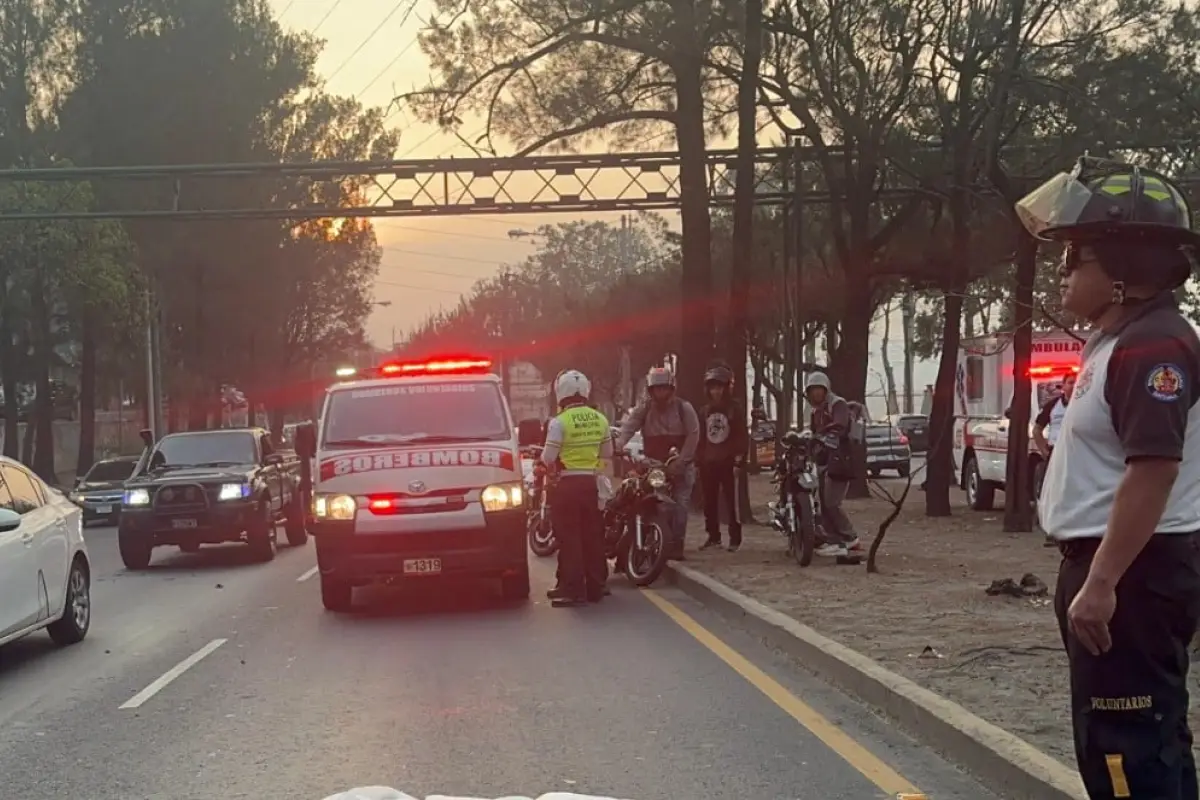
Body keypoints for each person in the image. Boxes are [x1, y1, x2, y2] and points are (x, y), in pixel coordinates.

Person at [1019, 155, 1200, 800]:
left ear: (1127, 270)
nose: (1063, 268)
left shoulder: (1155, 346)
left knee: (1126, 753)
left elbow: (1152, 471)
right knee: (1149, 742)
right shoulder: (1115, 341)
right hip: (1118, 567)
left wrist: (1100, 584)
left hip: (1131, 575)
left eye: (1078, 255)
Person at [541, 369, 612, 608]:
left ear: (561, 392)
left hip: (567, 485)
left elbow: (548, 457)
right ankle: (596, 586)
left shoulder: (559, 421)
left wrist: (545, 462)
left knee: (569, 537)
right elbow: (607, 454)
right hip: (591, 484)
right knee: (592, 535)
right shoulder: (600, 419)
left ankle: (572, 590)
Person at [616, 366, 700, 560]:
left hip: (681, 466)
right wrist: (618, 444)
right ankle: (649, 539)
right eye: (656, 389)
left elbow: (693, 435)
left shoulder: (684, 408)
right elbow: (629, 427)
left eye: (664, 388)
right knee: (650, 501)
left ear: (671, 388)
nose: (660, 393)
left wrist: (682, 460)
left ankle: (677, 545)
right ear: (650, 390)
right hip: (654, 466)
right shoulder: (644, 408)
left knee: (680, 505)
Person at [803, 371, 861, 557]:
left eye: (819, 389)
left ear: (826, 388)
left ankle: (849, 537)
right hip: (823, 460)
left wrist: (823, 433)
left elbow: (840, 426)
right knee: (823, 502)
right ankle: (834, 539)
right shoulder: (816, 411)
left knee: (832, 502)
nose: (816, 394)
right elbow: (813, 433)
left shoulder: (838, 404)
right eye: (812, 390)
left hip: (839, 460)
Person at [697, 364, 748, 551]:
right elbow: (700, 437)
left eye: (719, 387)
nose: (716, 391)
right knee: (709, 502)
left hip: (728, 462)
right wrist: (699, 458)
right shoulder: (704, 411)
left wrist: (738, 460)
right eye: (712, 388)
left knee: (731, 503)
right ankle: (713, 536)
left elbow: (742, 436)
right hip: (708, 463)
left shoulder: (735, 409)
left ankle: (735, 538)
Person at [1032, 372, 1077, 498]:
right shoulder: (1053, 405)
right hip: (1055, 453)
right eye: (1070, 382)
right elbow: (1037, 430)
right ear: (1063, 386)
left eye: (1076, 382)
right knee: (1050, 491)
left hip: (1077, 453)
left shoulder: (1083, 405)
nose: (1074, 385)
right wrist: (1044, 451)